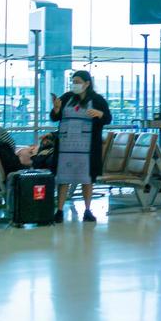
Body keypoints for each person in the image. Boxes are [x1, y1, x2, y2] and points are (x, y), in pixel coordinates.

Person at [50, 70, 112, 222]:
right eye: (73, 81)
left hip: (88, 148)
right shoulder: (66, 98)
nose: (74, 85)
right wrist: (56, 109)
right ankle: (59, 210)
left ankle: (88, 210)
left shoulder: (97, 100)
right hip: (65, 147)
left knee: (87, 179)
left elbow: (108, 118)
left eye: (77, 82)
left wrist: (100, 114)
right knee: (63, 178)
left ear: (87, 83)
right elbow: (54, 117)